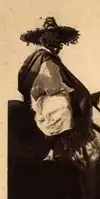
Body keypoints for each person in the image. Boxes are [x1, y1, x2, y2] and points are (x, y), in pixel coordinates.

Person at [18, 17, 91, 161]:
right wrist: (68, 90)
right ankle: (53, 149)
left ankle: (72, 146)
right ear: (47, 40)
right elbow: (50, 84)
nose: (58, 46)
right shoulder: (44, 57)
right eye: (55, 41)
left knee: (71, 101)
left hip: (51, 92)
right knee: (63, 106)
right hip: (43, 96)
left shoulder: (51, 58)